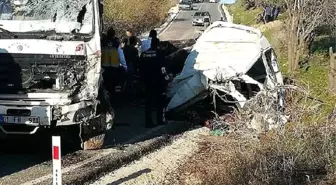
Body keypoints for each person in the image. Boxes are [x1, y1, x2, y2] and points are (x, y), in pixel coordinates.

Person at [139, 38, 168, 128]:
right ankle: (160, 120)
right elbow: (163, 69)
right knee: (161, 101)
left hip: (147, 81)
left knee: (149, 102)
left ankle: (148, 122)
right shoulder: (160, 54)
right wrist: (167, 78)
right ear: (158, 44)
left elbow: (140, 69)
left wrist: (142, 81)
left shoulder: (144, 54)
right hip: (158, 81)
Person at [101, 27, 127, 95]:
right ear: (114, 34)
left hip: (104, 67)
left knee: (106, 84)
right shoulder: (116, 43)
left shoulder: (102, 42)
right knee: (115, 83)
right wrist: (125, 66)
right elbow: (121, 56)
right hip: (114, 67)